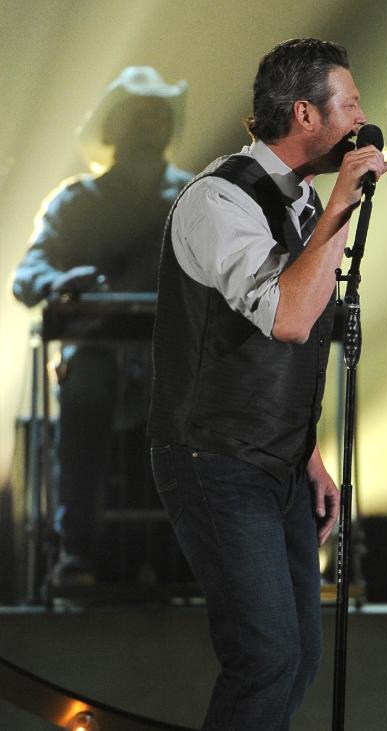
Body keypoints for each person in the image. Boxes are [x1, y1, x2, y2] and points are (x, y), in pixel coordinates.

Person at [147, 39, 387, 729]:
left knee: (301, 655)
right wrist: (341, 205)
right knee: (265, 656)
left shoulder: (308, 205)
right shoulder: (219, 198)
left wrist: (309, 456)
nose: (363, 120)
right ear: (305, 113)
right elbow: (286, 316)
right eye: (350, 104)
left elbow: (298, 341)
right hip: (213, 455)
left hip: (276, 459)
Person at [12, 66, 192, 585]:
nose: (149, 127)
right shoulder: (74, 202)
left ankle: (194, 556)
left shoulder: (198, 198)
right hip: (94, 364)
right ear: (113, 128)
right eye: (137, 116)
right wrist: (59, 281)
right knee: (87, 385)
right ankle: (78, 552)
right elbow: (27, 275)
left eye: (158, 118)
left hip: (174, 364)